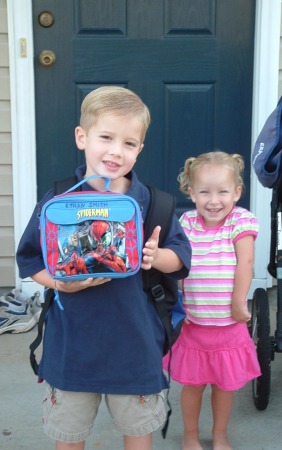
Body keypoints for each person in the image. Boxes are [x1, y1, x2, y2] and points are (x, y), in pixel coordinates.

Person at [16, 86, 191, 450]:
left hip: (136, 347)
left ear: (140, 149)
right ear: (82, 137)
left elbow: (181, 257)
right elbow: (30, 258)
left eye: (129, 143)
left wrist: (157, 258)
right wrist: (58, 284)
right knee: (69, 436)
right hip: (72, 349)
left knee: (138, 434)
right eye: (106, 137)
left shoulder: (155, 204)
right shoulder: (59, 199)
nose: (116, 150)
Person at [163, 151, 261, 450]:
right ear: (191, 193)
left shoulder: (240, 221)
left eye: (223, 192)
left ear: (237, 192)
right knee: (192, 386)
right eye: (204, 192)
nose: (214, 200)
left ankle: (220, 434)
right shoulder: (187, 223)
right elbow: (179, 265)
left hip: (228, 325)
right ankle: (190, 435)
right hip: (195, 324)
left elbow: (245, 263)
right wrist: (179, 304)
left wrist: (238, 302)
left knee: (224, 386)